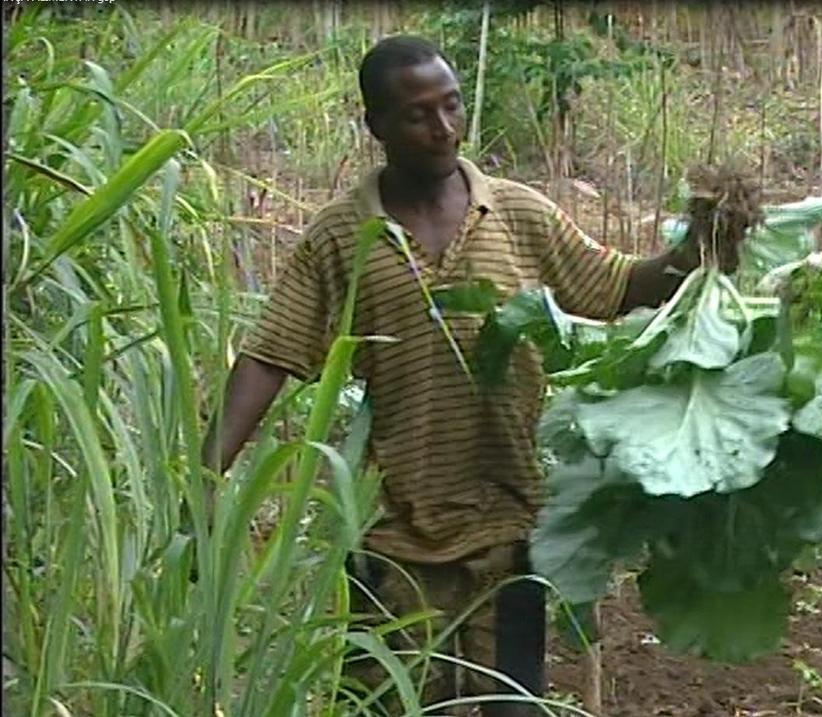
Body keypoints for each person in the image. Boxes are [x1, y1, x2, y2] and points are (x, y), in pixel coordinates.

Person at [200, 35, 737, 716]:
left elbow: (616, 284)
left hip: (507, 527)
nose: (444, 127)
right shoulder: (342, 238)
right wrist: (204, 476)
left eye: (452, 105)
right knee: (392, 706)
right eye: (419, 114)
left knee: (510, 706)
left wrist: (701, 246)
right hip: (391, 537)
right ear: (377, 128)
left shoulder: (515, 212)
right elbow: (271, 354)